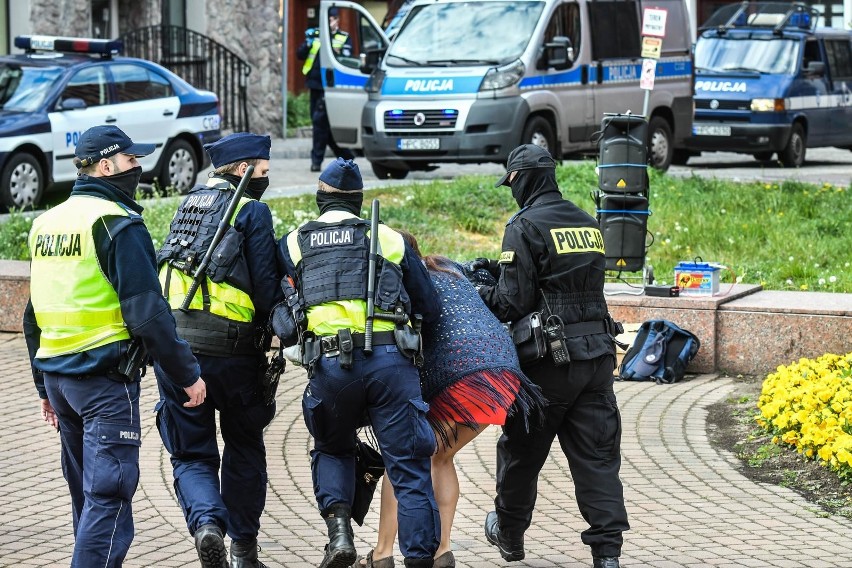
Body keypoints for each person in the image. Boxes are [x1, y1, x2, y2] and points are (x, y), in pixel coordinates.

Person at [22, 124, 205, 568]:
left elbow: (32, 315)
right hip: (104, 384)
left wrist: (44, 387)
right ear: (106, 166)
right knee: (109, 497)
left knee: (88, 497)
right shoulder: (117, 224)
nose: (138, 168)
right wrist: (187, 375)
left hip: (60, 381)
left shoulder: (46, 224)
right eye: (131, 160)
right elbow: (148, 313)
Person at [278, 158, 441, 568]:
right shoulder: (389, 238)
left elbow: (281, 304)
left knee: (332, 449)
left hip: (330, 368)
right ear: (358, 200)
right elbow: (429, 307)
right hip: (391, 365)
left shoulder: (294, 242)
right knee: (409, 468)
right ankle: (420, 559)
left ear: (320, 197)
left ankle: (340, 536)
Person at [475, 144, 629, 568]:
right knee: (596, 458)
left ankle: (509, 534)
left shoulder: (523, 225)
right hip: (597, 357)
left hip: (549, 363)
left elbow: (512, 302)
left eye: (512, 184)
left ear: (521, 180)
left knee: (521, 453)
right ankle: (607, 555)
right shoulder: (586, 221)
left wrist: (479, 290)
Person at [356, 230, 544, 568]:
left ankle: (382, 554)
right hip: (502, 376)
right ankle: (442, 549)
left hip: (463, 379)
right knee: (440, 458)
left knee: (404, 458)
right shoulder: (449, 269)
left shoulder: (404, 285)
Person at [154, 133, 282, 568]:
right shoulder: (252, 210)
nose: (266, 179)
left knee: (191, 451)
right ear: (244, 170)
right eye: (263, 172)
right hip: (233, 354)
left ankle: (207, 525)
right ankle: (244, 548)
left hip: (177, 352)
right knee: (244, 445)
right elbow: (265, 290)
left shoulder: (188, 204)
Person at [298, 6, 356, 172]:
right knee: (322, 125)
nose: (329, 23)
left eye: (331, 20)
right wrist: (307, 43)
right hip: (315, 86)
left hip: (331, 88)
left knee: (319, 124)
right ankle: (345, 155)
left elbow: (346, 57)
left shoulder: (343, 38)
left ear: (337, 20)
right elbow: (300, 55)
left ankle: (316, 161)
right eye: (327, 20)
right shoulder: (316, 36)